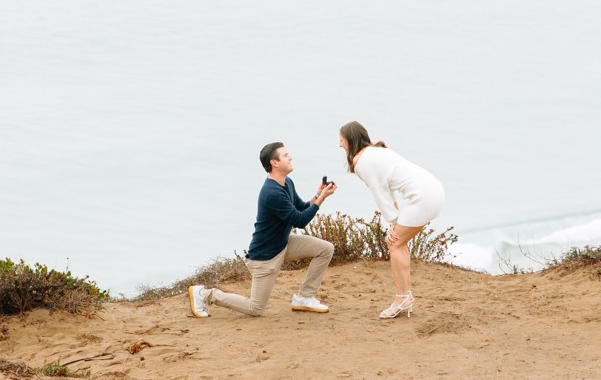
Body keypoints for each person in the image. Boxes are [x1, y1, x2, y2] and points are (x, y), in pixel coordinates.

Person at [189, 142, 338, 318]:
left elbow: (301, 207)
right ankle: (205, 294)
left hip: (283, 243)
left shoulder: (287, 182)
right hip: (265, 257)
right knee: (255, 309)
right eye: (285, 155)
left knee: (325, 249)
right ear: (274, 163)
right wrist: (322, 198)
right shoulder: (272, 193)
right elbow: (300, 221)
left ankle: (304, 297)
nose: (290, 157)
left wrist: (317, 194)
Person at [338, 121, 445, 319]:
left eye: (341, 140)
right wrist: (394, 220)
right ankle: (405, 296)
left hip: (423, 196)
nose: (340, 145)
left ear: (350, 140)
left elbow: (380, 193)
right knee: (398, 242)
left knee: (394, 243)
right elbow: (388, 191)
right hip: (431, 189)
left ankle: (402, 298)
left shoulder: (362, 162)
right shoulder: (375, 152)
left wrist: (392, 223)